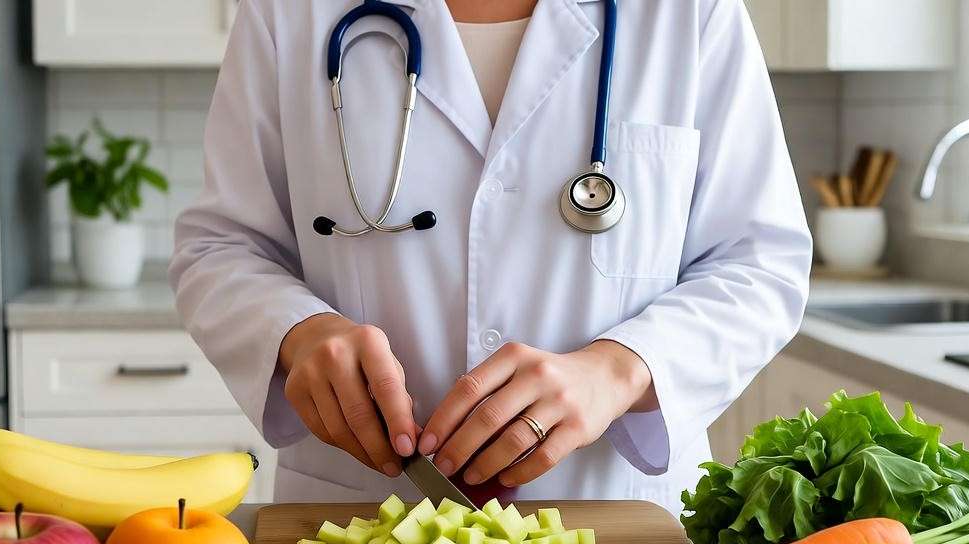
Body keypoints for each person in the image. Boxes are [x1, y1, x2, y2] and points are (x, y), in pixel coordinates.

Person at [171, 0, 811, 512]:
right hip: (364, 514)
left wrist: (619, 372)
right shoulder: (291, 12)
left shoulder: (690, 13)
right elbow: (221, 249)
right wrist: (300, 335)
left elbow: (760, 264)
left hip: (611, 516)